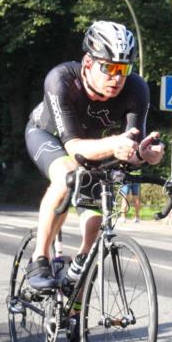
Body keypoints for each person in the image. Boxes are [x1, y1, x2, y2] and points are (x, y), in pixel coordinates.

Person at [24, 21, 164, 290]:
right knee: (67, 175)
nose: (117, 77)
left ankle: (80, 275)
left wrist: (145, 154)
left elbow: (130, 149)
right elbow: (74, 148)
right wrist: (114, 145)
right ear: (88, 63)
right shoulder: (62, 80)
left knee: (99, 199)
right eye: (109, 67)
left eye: (123, 69)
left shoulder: (136, 89)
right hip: (49, 136)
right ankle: (39, 258)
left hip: (96, 144)